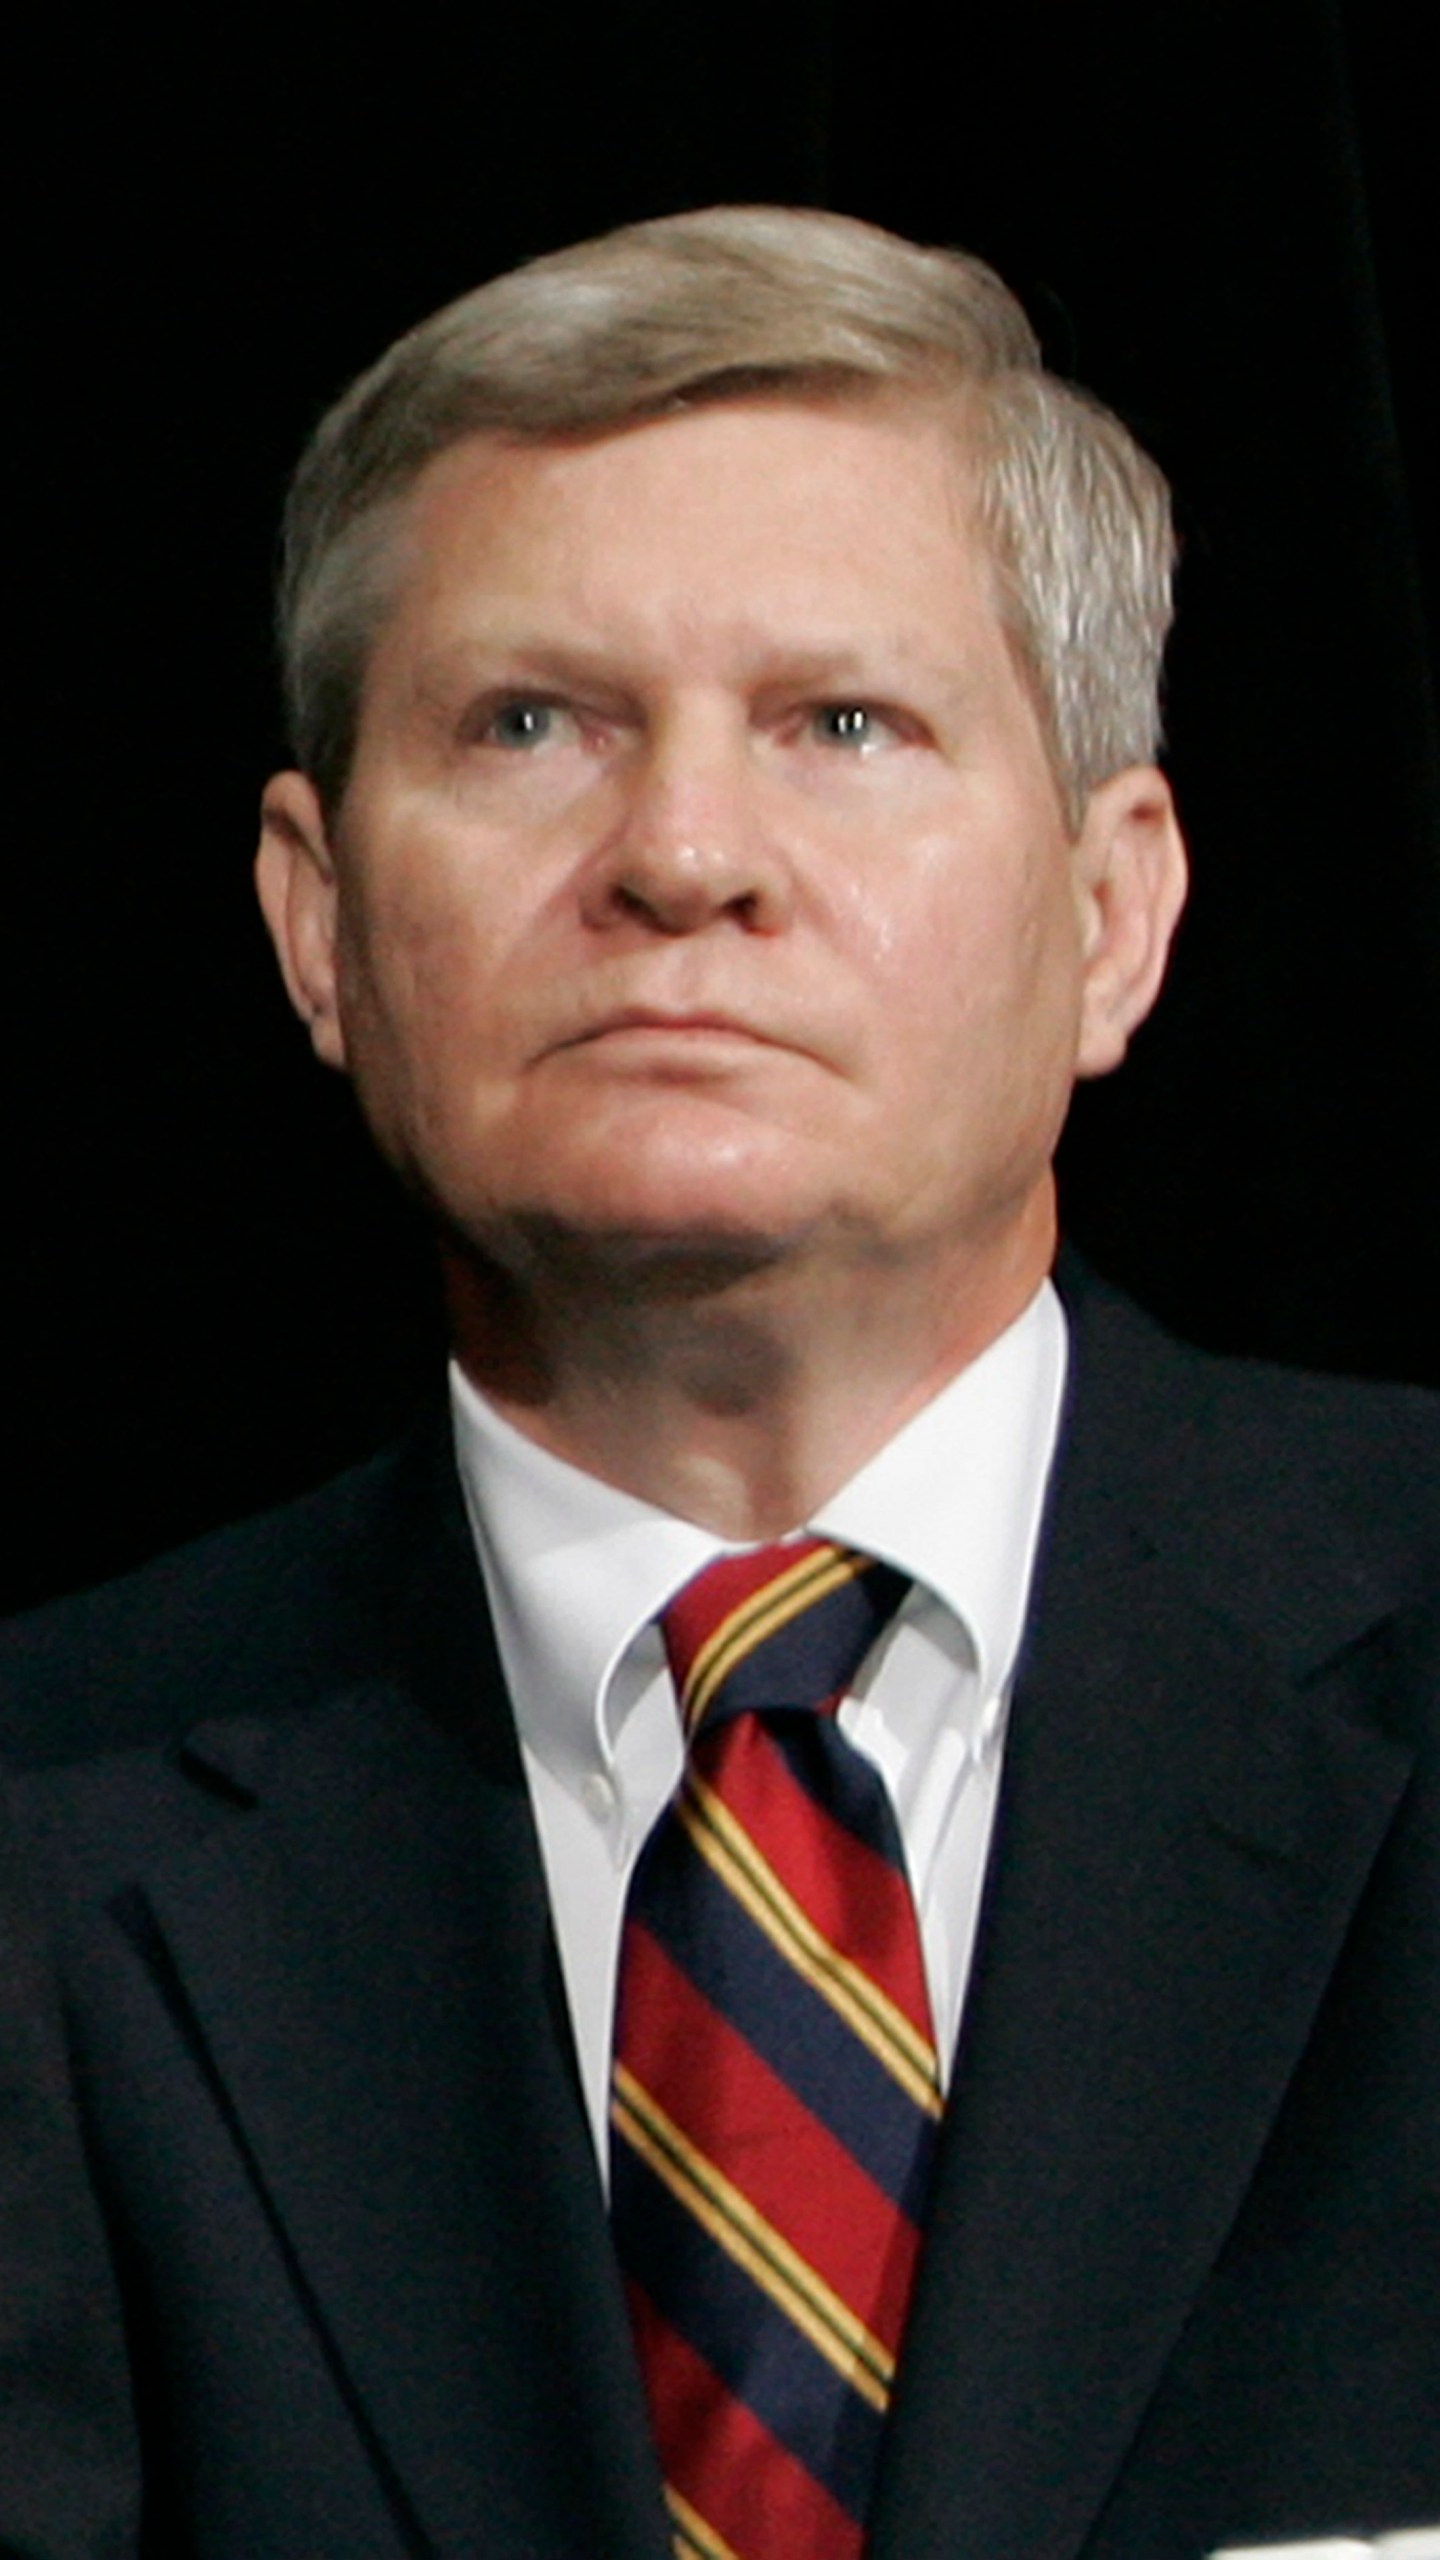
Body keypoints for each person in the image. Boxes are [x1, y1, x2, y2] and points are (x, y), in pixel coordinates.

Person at [2, 205, 1436, 2560]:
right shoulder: (43, 1842)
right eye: (528, 724)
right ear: (318, 920)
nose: (681, 855)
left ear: (1112, 914)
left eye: (841, 724)